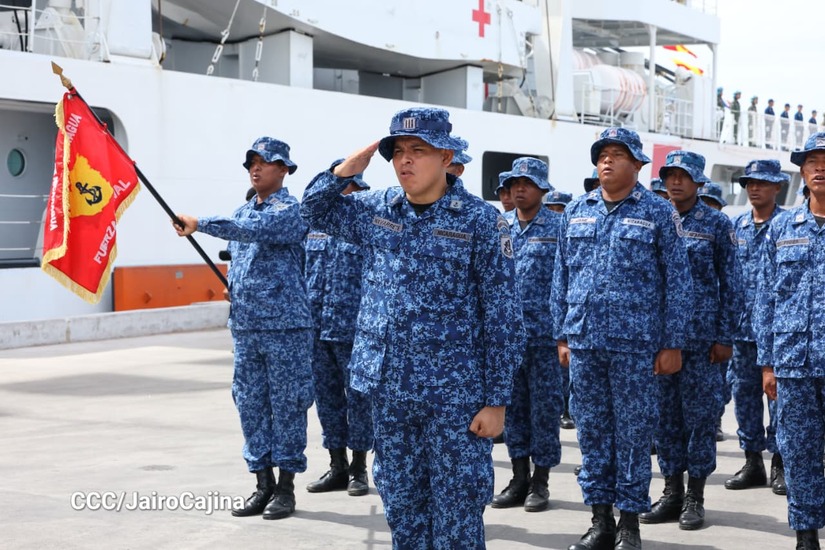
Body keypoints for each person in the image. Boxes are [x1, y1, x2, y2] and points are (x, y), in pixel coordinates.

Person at [300, 107, 525, 549]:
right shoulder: (377, 208)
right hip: (389, 393)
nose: (405, 160)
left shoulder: (480, 221)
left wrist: (497, 400)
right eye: (398, 151)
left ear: (445, 157)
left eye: (418, 150)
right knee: (403, 508)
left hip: (455, 397)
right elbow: (313, 210)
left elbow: (503, 316)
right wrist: (346, 169)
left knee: (457, 513)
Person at [552, 127, 693, 550]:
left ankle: (629, 523)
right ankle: (600, 521)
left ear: (637, 165)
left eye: (617, 154)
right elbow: (561, 276)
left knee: (633, 435)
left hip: (636, 345)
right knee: (592, 433)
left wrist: (672, 342)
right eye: (602, 155)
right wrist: (562, 335)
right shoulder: (576, 210)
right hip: (585, 343)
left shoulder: (658, 211)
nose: (607, 161)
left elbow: (678, 281)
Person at [173, 137, 313, 521]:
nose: (256, 168)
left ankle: (285, 488)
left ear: (283, 169)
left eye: (264, 162)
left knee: (288, 406)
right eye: (251, 162)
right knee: (250, 404)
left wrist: (201, 224)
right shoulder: (243, 211)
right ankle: (262, 483)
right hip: (247, 328)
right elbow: (240, 253)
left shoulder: (291, 212)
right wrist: (235, 285)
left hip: (285, 328)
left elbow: (252, 230)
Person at [639, 151, 741, 531]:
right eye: (670, 175)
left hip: (701, 343)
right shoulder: (653, 218)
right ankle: (672, 491)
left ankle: (695, 496)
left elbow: (733, 284)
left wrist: (725, 336)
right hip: (660, 338)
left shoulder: (716, 224)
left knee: (700, 419)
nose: (676, 182)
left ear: (699, 182)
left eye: (684, 176)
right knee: (665, 418)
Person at [755, 132, 825, 550]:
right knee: (798, 451)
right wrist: (767, 363)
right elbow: (766, 299)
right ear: (801, 171)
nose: (820, 167)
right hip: (794, 363)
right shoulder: (783, 228)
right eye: (812, 161)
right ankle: (806, 535)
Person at [491, 157, 562, 514]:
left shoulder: (558, 226)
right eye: (514, 184)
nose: (519, 189)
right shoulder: (499, 225)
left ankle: (540, 481)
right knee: (513, 410)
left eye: (527, 184)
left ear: (542, 189)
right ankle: (518, 478)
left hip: (545, 337)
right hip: (507, 337)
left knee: (545, 410)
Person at [304, 169, 374, 498]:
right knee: (327, 401)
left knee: (359, 401)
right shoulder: (313, 228)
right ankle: (337, 465)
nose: (347, 193)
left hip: (354, 329)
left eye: (351, 188)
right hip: (318, 329)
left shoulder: (366, 228)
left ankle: (359, 468)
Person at [727, 159, 789, 496]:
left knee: (779, 398)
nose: (754, 188)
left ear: (777, 187)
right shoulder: (736, 226)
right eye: (750, 182)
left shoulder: (787, 225)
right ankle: (753, 461)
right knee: (744, 396)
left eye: (762, 183)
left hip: (777, 330)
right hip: (741, 328)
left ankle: (780, 461)